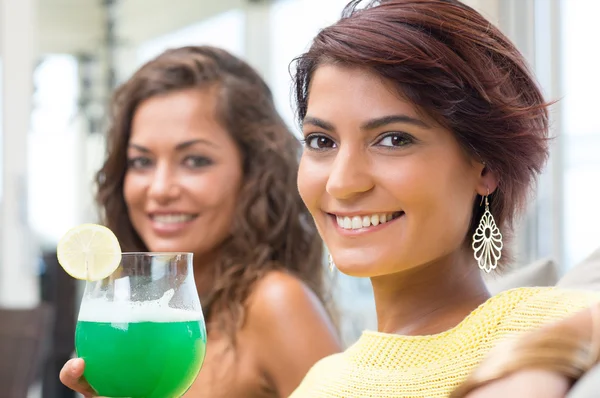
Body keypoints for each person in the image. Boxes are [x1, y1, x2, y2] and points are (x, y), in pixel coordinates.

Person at [287, 0, 600, 397]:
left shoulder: (551, 324)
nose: (342, 183)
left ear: (486, 166)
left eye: (394, 139)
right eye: (322, 141)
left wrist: (541, 362)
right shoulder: (319, 384)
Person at [59, 45, 341, 397]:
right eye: (142, 162)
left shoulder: (276, 303)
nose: (160, 189)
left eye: (195, 161)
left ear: (253, 174)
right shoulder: (135, 317)